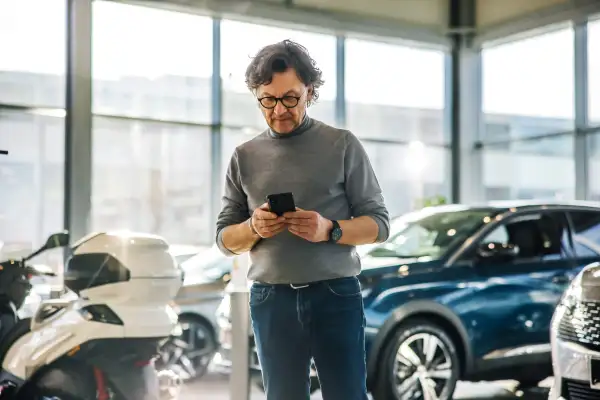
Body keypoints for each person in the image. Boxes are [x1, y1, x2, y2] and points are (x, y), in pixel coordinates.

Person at [216, 39, 390, 400]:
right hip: (271, 299)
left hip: (335, 294)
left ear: (309, 92)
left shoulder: (342, 145)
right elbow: (224, 239)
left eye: (290, 98)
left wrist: (330, 229)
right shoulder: (243, 156)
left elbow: (379, 224)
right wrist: (252, 228)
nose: (279, 109)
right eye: (268, 99)